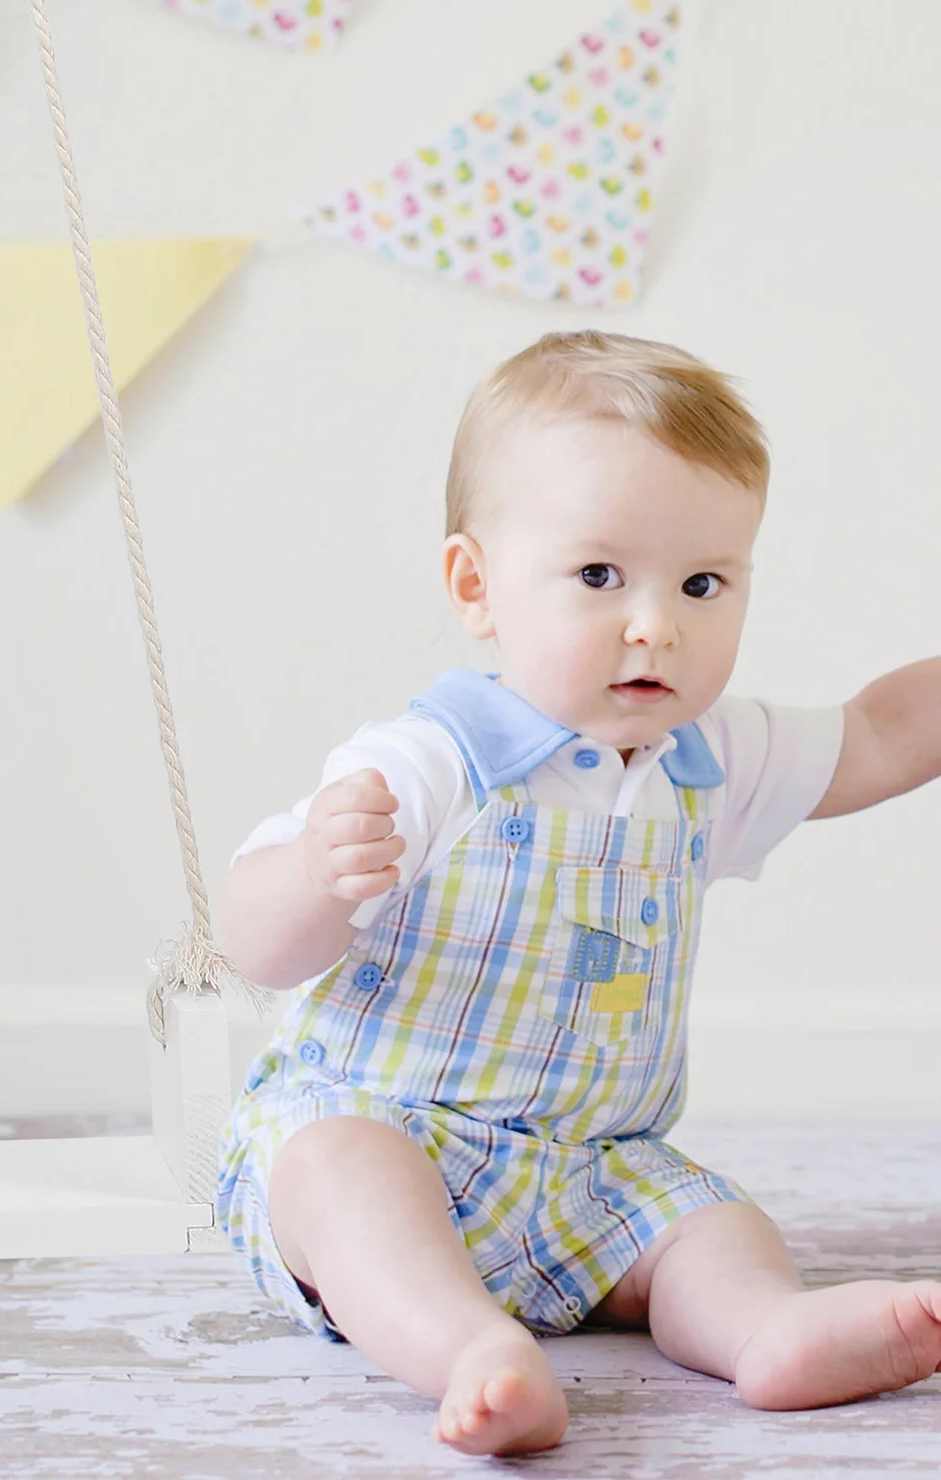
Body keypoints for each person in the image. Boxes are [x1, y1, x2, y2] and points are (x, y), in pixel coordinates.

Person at [214, 330, 941, 1456]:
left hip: (590, 1170)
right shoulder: (431, 757)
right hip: (394, 1131)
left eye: (702, 582)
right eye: (599, 576)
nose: (655, 622)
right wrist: (315, 872)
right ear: (477, 585)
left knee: (706, 1224)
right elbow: (249, 942)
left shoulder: (707, 756)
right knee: (335, 1171)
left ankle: (764, 1328)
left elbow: (882, 734)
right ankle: (464, 1345)